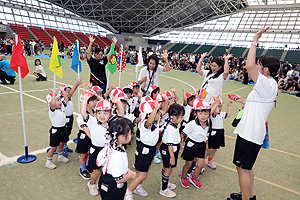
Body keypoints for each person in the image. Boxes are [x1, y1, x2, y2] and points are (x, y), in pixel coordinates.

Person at [228, 27, 280, 200]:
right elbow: (259, 104)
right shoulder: (269, 84)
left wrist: (255, 39)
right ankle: (248, 196)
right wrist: (244, 101)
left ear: (265, 69)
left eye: (260, 64)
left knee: (243, 168)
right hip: (251, 132)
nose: (257, 65)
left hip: (250, 134)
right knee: (245, 167)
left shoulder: (266, 82)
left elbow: (249, 66)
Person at [80, 93, 124, 196]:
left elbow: (121, 114)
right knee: (96, 171)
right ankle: (92, 184)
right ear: (95, 114)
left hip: (108, 150)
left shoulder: (112, 122)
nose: (102, 115)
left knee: (108, 169)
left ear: (110, 114)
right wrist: (85, 101)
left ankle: (103, 184)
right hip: (96, 149)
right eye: (99, 113)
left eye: (105, 112)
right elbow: (83, 114)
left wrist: (118, 103)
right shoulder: (92, 121)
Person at [125, 99, 167, 200]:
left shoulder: (155, 119)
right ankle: (128, 192)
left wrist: (165, 100)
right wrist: (155, 109)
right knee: (142, 175)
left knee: (144, 172)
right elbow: (149, 122)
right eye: (156, 112)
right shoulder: (145, 123)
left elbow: (164, 110)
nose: (159, 114)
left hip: (150, 149)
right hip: (144, 150)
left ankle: (137, 186)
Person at [179, 98, 218, 189]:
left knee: (201, 165)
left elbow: (206, 135)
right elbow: (182, 134)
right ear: (195, 113)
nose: (203, 116)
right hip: (191, 145)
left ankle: (194, 177)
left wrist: (206, 144)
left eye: (206, 113)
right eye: (200, 113)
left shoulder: (208, 124)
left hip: (201, 146)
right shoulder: (192, 124)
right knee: (188, 164)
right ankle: (184, 177)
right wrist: (179, 143)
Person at [98, 116, 136, 200]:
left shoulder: (114, 144)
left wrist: (128, 170)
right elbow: (119, 179)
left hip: (108, 178)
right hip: (112, 186)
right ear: (121, 137)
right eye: (130, 133)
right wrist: (130, 175)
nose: (131, 135)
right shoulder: (117, 156)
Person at [159, 103, 185, 198]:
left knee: (166, 167)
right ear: (174, 117)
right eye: (180, 116)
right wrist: (172, 157)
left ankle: (164, 183)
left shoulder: (173, 124)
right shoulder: (170, 127)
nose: (181, 118)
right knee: (168, 169)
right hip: (169, 150)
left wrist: (179, 143)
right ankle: (164, 189)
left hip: (171, 149)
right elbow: (169, 144)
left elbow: (173, 139)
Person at [45, 86, 69, 169]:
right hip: (56, 131)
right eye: (57, 100)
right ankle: (48, 161)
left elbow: (66, 99)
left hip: (63, 129)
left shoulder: (61, 108)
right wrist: (53, 94)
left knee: (62, 143)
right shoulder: (52, 110)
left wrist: (63, 91)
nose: (60, 101)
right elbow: (52, 104)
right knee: (53, 146)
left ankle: (60, 156)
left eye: (59, 99)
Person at [76, 90, 98, 180]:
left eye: (95, 100)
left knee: (89, 152)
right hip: (85, 137)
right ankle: (83, 170)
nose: (95, 103)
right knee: (83, 154)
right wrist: (93, 138)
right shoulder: (82, 116)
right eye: (92, 101)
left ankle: (88, 166)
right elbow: (85, 130)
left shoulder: (95, 112)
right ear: (86, 103)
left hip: (92, 136)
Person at [205, 98, 232, 170]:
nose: (220, 108)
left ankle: (209, 161)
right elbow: (215, 111)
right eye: (218, 106)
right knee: (209, 150)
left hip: (220, 133)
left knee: (215, 149)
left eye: (221, 106)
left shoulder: (221, 114)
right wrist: (215, 103)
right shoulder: (212, 115)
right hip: (213, 133)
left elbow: (228, 114)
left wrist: (228, 106)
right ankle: (201, 162)